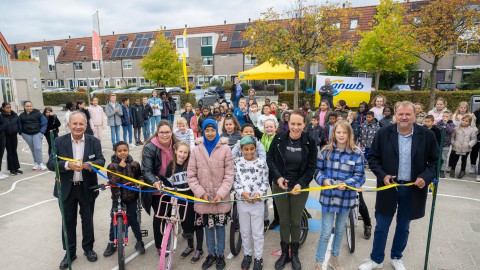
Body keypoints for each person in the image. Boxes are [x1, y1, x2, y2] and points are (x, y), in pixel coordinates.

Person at [358, 101, 439, 270]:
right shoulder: (383, 133)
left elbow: (435, 162)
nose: (404, 117)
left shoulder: (426, 135)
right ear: (395, 115)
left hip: (412, 189)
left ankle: (396, 257)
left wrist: (425, 177)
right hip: (389, 187)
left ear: (414, 115)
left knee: (403, 226)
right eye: (400, 114)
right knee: (381, 226)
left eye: (407, 114)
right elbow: (372, 158)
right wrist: (383, 175)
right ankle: (376, 259)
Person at [46, 112, 105, 270]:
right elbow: (51, 163)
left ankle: (88, 248)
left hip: (87, 188)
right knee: (68, 222)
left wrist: (91, 165)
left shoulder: (94, 141)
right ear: (69, 125)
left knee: (87, 220)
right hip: (66, 189)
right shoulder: (59, 141)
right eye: (75, 124)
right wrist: (67, 166)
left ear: (86, 126)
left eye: (81, 124)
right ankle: (70, 253)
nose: (78, 127)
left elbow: (101, 160)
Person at [267, 109, 317, 270]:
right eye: (292, 123)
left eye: (299, 124)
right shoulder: (279, 138)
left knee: (295, 222)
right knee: (284, 220)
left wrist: (301, 184)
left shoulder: (310, 141)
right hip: (280, 185)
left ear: (304, 124)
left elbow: (311, 168)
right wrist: (278, 177)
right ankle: (284, 253)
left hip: (299, 187)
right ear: (288, 123)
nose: (295, 127)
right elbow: (270, 159)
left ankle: (294, 254)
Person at [314, 120, 366, 270]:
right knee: (325, 232)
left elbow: (360, 175)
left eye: (344, 132)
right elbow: (317, 171)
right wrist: (324, 180)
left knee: (340, 230)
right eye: (338, 132)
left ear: (349, 134)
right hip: (328, 199)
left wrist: (348, 183)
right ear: (333, 134)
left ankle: (334, 259)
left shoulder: (356, 153)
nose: (341, 135)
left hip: (346, 200)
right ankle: (318, 262)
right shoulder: (325, 151)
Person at [187, 119, 234, 270]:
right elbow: (191, 176)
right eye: (207, 130)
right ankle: (211, 254)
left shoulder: (225, 149)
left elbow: (229, 175)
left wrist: (221, 193)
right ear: (203, 132)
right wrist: (201, 193)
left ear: (216, 130)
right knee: (208, 227)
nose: (210, 133)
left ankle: (220, 255)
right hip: (204, 200)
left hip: (221, 199)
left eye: (212, 130)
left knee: (220, 227)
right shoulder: (196, 150)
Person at [163, 141, 205, 263]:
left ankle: (199, 249)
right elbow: (168, 184)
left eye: (185, 152)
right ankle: (191, 246)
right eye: (180, 151)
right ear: (175, 151)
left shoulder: (191, 164)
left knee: (198, 224)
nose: (183, 154)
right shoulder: (171, 167)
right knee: (186, 224)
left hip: (194, 198)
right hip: (181, 201)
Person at [140, 120, 177, 255]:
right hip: (157, 187)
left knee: (172, 213)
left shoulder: (176, 145)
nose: (165, 135)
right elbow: (146, 170)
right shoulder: (150, 147)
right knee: (160, 215)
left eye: (167, 132)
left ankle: (172, 232)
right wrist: (154, 181)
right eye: (161, 132)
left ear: (171, 132)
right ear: (157, 132)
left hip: (173, 185)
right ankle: (159, 244)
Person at [102, 141, 145, 257]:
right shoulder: (111, 166)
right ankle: (111, 243)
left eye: (125, 150)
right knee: (114, 221)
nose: (122, 153)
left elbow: (140, 175)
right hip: (117, 197)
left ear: (128, 151)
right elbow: (112, 181)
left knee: (134, 219)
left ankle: (139, 241)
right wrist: (120, 169)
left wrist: (141, 181)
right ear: (115, 152)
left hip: (132, 197)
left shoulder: (135, 164)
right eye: (119, 151)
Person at [234, 136, 269, 270]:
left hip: (257, 203)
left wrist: (259, 193)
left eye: (252, 149)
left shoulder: (261, 163)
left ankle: (258, 258)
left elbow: (265, 182)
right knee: (245, 231)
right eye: (246, 149)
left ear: (255, 149)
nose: (249, 152)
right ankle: (247, 255)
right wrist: (242, 193)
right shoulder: (237, 162)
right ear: (241, 149)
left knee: (257, 233)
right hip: (243, 203)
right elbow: (235, 181)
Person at [261, 119, 281, 231]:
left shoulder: (279, 139)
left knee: (276, 195)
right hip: (264, 171)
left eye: (271, 127)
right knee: (267, 195)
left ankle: (278, 218)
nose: (269, 129)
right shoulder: (262, 138)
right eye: (267, 127)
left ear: (275, 128)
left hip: (275, 171)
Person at [19, 101, 48, 170]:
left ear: (32, 106)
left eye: (30, 106)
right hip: (26, 134)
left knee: (37, 148)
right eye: (27, 106)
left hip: (37, 133)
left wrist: (41, 132)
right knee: (33, 149)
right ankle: (36, 163)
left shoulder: (38, 113)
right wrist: (21, 132)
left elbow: (44, 122)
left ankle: (40, 163)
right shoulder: (21, 115)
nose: (29, 107)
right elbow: (19, 124)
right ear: (24, 107)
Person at [449, 114, 476, 179]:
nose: (464, 122)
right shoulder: (456, 128)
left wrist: (469, 144)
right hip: (457, 146)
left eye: (466, 121)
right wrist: (453, 143)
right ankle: (452, 170)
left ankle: (462, 171)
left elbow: (474, 139)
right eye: (463, 120)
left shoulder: (472, 130)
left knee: (464, 160)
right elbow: (453, 136)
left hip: (465, 148)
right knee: (455, 159)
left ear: (469, 122)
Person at [0, 103, 22, 176]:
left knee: (14, 151)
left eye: (9, 107)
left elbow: (18, 123)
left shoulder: (14, 114)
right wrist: (5, 126)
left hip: (14, 135)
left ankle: (16, 167)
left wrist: (18, 130)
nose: (9, 109)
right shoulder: (1, 116)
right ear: (3, 108)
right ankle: (11, 169)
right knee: (10, 152)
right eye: (7, 108)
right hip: (6, 136)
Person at [436, 110, 455, 178]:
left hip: (446, 145)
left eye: (447, 116)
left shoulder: (451, 124)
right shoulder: (439, 123)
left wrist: (446, 124)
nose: (444, 117)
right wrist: (442, 125)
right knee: (437, 157)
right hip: (438, 144)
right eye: (443, 116)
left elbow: (451, 131)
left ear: (450, 117)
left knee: (444, 158)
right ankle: (436, 169)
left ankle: (442, 170)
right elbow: (437, 129)